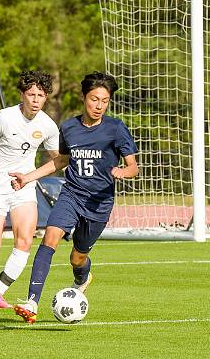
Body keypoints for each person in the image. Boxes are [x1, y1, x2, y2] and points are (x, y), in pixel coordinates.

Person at [10, 71, 138, 324]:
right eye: (94, 99)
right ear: (83, 97)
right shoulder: (68, 127)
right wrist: (28, 177)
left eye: (104, 101)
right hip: (71, 194)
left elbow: (134, 166)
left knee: (77, 258)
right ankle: (32, 302)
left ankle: (82, 277)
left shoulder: (115, 128)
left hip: (99, 204)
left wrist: (123, 171)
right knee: (50, 237)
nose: (99, 105)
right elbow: (60, 161)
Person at [0, 70, 59, 308]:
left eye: (40, 95)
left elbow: (57, 160)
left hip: (24, 185)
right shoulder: (4, 118)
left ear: (45, 98)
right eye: (31, 94)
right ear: (22, 95)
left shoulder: (48, 126)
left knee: (24, 241)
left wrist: (31, 176)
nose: (35, 100)